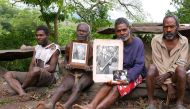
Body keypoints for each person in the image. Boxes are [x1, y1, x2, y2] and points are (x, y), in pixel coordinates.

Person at [72, 17, 146, 109]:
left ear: (129, 29)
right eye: (119, 31)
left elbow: (139, 66)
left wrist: (125, 78)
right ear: (115, 32)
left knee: (116, 88)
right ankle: (91, 106)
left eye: (124, 30)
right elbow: (109, 63)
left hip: (134, 73)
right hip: (120, 72)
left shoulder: (138, 43)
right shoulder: (115, 44)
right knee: (108, 83)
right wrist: (102, 71)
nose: (122, 33)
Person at [36, 23, 93, 109]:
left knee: (78, 87)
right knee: (63, 86)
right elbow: (66, 59)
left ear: (88, 33)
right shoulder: (70, 45)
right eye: (79, 30)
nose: (81, 33)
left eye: (84, 31)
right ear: (76, 31)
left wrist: (90, 67)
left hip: (87, 74)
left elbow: (97, 64)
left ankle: (65, 106)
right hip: (73, 73)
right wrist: (67, 65)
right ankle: (50, 104)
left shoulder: (92, 46)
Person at [3, 25, 60, 101]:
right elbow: (32, 64)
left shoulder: (54, 48)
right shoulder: (37, 47)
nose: (38, 37)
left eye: (41, 35)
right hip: (35, 74)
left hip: (49, 77)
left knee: (35, 70)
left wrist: (36, 71)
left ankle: (21, 88)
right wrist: (31, 74)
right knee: (8, 74)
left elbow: (52, 68)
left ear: (47, 35)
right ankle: (22, 93)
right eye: (36, 35)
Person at [146, 15, 188, 109]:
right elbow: (157, 63)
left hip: (173, 75)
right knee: (152, 67)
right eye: (165, 27)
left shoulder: (184, 41)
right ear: (163, 28)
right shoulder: (156, 40)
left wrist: (168, 75)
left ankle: (179, 103)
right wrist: (168, 85)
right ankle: (151, 102)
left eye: (172, 27)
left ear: (177, 27)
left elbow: (181, 62)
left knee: (181, 70)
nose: (168, 30)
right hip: (160, 74)